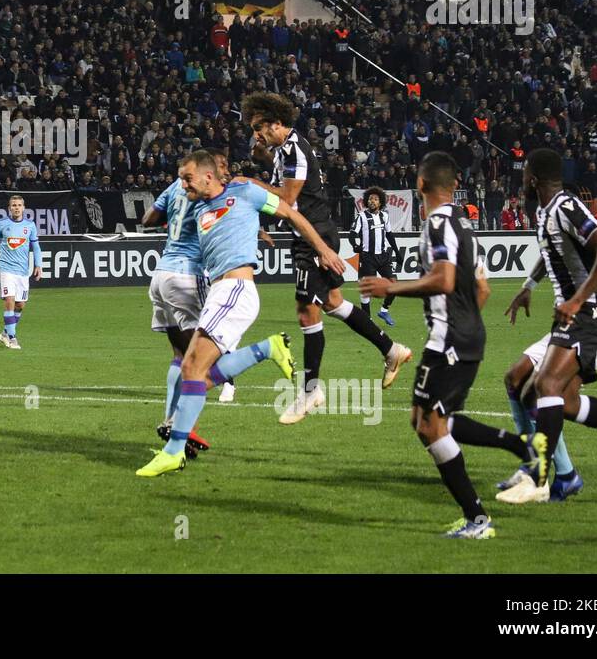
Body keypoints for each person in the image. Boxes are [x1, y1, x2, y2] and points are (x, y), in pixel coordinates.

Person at [361, 152, 536, 539]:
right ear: (454, 185)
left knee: (430, 423)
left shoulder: (438, 224)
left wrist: (390, 287)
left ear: (420, 185)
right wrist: (466, 321)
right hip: (463, 335)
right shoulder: (464, 224)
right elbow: (483, 287)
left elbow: (442, 279)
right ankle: (518, 445)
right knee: (423, 421)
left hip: (450, 340)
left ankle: (478, 519)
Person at [136, 149, 341, 478]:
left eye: (187, 178)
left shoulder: (245, 193)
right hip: (219, 290)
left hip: (235, 290)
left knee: (190, 365)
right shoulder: (200, 207)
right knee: (197, 375)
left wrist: (324, 248)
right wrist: (253, 230)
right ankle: (268, 349)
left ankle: (173, 450)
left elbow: (291, 213)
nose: (181, 183)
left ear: (208, 176)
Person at [495, 148, 597, 502]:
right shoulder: (547, 212)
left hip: (587, 313)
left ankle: (537, 476)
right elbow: (552, 252)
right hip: (575, 315)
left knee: (547, 384)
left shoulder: (567, 206)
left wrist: (594, 311)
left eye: (525, 175)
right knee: (530, 386)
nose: (522, 180)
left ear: (534, 179)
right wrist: (528, 287)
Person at [246, 92, 411, 426]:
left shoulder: (293, 150)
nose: (256, 135)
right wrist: (263, 156)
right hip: (309, 234)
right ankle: (392, 350)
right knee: (334, 303)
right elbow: (284, 175)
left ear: (277, 123)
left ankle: (310, 390)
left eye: (259, 128)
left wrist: (249, 184)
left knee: (306, 310)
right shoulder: (284, 149)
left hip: (314, 236)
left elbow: (288, 197)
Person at [495, 261, 597, 504]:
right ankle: (533, 467)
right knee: (514, 378)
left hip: (592, 326)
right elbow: (548, 256)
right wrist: (528, 286)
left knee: (544, 393)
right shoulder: (550, 226)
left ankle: (559, 474)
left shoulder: (580, 227)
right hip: (568, 326)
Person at [0, 195, 42, 350]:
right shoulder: (2, 224)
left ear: (23, 207)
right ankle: (12, 338)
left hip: (23, 271)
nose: (16, 207)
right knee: (9, 301)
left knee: (20, 305)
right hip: (6, 269)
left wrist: (38, 264)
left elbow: (35, 246)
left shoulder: (30, 225)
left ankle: (4, 333)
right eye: (13, 205)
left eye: (19, 205)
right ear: (9, 208)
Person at [353, 186, 396, 326]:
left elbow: (389, 234)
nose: (372, 201)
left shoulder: (385, 216)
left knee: (394, 285)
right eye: (370, 199)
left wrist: (397, 252)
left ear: (380, 202)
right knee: (367, 289)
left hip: (383, 257)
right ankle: (367, 318)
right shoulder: (361, 217)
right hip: (368, 257)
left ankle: (384, 310)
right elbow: (352, 234)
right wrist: (355, 244)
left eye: (376, 199)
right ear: (366, 201)